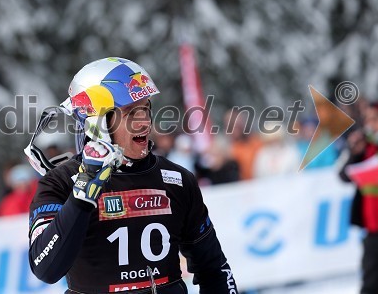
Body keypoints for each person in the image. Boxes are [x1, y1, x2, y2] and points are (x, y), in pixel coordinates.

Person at [26, 57, 239, 293]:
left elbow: (214, 268)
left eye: (146, 108)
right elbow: (45, 269)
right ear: (97, 121)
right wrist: (79, 200)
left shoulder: (178, 179)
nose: (145, 122)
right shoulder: (60, 182)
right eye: (130, 112)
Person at [339, 100, 378, 294]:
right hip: (373, 231)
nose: (372, 124)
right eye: (368, 119)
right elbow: (343, 175)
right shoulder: (366, 146)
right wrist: (355, 153)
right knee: (371, 286)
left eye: (377, 119)